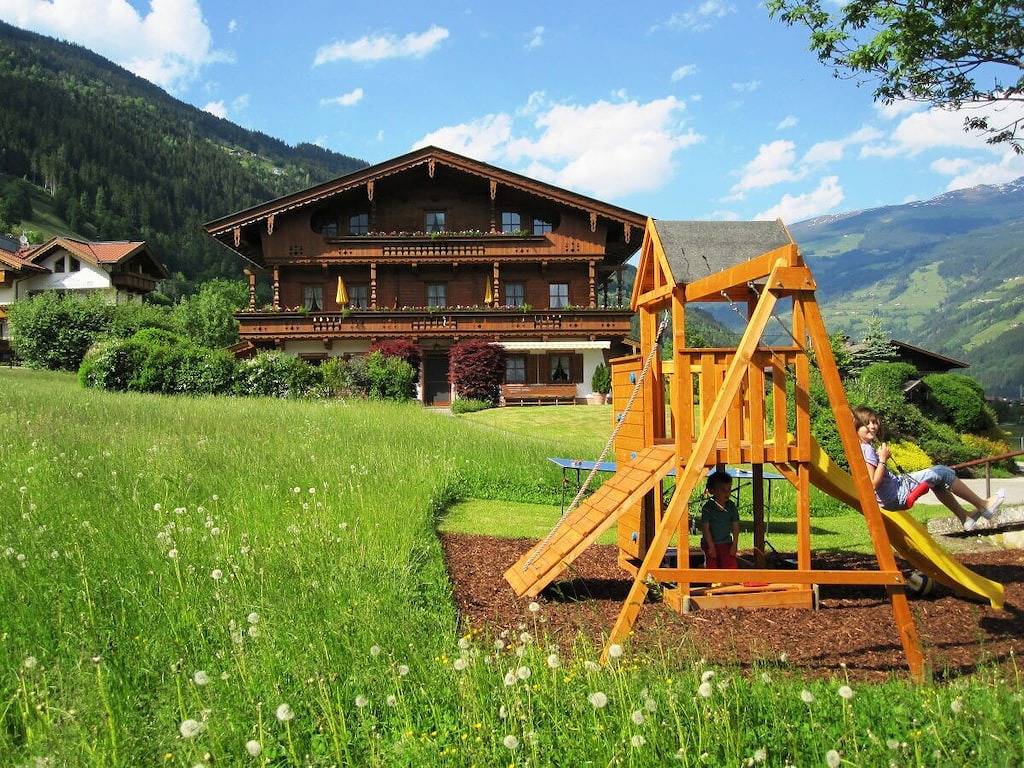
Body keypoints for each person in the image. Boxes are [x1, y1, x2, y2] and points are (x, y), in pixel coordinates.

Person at [853, 406, 1004, 532]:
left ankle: (965, 518)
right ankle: (983, 506)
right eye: (867, 424)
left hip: (893, 492)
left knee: (937, 481)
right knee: (942, 472)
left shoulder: (862, 448)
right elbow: (872, 484)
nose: (873, 426)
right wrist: (883, 460)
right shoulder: (867, 450)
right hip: (897, 494)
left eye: (875, 422)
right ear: (857, 427)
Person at [701, 470, 740, 568]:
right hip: (710, 543)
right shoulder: (707, 508)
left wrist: (734, 544)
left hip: (726, 544)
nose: (727, 493)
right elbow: (706, 529)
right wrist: (711, 546)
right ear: (712, 491)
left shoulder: (731, 506)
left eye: (729, 489)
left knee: (731, 567)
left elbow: (735, 526)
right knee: (712, 567)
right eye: (723, 490)